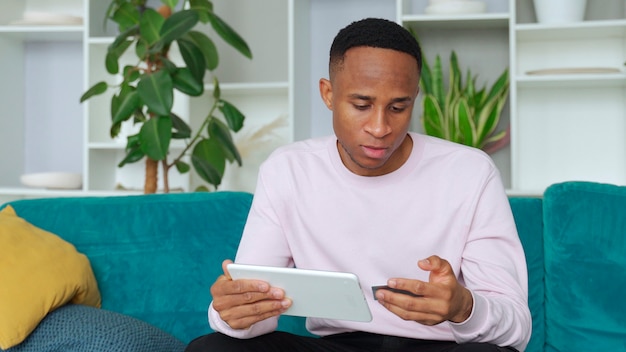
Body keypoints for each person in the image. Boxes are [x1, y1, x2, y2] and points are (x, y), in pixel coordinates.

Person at [185, 17, 531, 352]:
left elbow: (516, 327)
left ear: (414, 97)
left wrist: (463, 308)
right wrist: (231, 313)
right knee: (212, 347)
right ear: (328, 94)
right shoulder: (288, 170)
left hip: (442, 347)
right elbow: (253, 309)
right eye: (361, 105)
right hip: (338, 345)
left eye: (398, 107)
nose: (380, 127)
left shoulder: (470, 172)